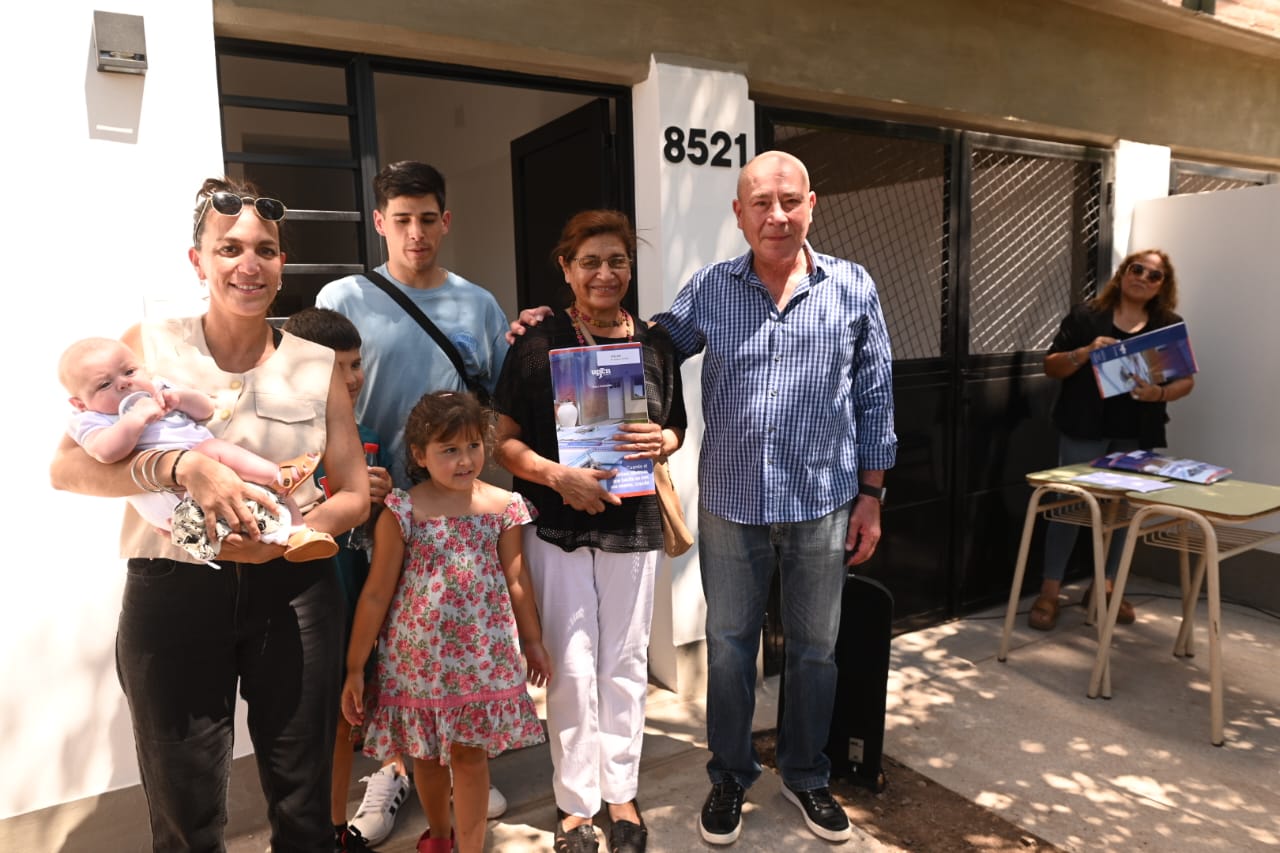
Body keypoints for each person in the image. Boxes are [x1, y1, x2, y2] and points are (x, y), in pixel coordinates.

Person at [49, 177, 369, 851]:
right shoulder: (146, 346)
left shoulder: (316, 366)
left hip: (294, 590)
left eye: (265, 250)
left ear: (282, 263)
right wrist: (176, 466)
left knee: (305, 804)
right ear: (198, 261)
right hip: (175, 589)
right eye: (229, 249)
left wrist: (292, 537)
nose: (248, 264)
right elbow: (68, 469)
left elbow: (352, 495)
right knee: (184, 811)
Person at [317, 161, 513, 838]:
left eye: (428, 218)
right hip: (368, 506)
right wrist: (341, 477)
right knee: (378, 642)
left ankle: (462, 763)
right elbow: (311, 398)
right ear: (380, 222)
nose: (415, 233)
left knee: (445, 640)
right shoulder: (345, 296)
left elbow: (500, 400)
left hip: (448, 516)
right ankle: (393, 770)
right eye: (401, 219)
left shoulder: (478, 305)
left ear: (445, 220)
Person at [493, 209, 687, 853]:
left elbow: (676, 427)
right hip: (557, 527)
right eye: (590, 262)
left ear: (630, 267)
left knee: (625, 663)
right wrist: (557, 478)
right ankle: (576, 805)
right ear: (566, 268)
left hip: (633, 524)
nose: (605, 273)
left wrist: (661, 440)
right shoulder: (536, 343)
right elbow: (502, 440)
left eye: (617, 261)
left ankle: (621, 792)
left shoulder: (656, 345)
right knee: (572, 668)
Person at [341, 391, 551, 853]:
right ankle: (439, 837)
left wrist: (533, 641)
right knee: (427, 756)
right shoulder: (402, 510)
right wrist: (356, 667)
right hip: (417, 663)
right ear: (420, 454)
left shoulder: (503, 507)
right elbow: (376, 593)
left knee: (470, 757)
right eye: (449, 449)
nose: (465, 460)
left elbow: (517, 579)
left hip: (482, 659)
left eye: (473, 446)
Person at [57, 335, 337, 564]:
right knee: (213, 450)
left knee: (266, 496)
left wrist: (179, 399)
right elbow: (105, 452)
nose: (123, 383)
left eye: (130, 372)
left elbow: (205, 409)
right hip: (168, 495)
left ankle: (297, 533)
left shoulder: (159, 391)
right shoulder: (93, 419)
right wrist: (135, 419)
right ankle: (278, 474)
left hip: (215, 490)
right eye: (104, 384)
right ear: (79, 403)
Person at [1029, 249, 1194, 631]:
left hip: (1136, 431)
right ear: (1122, 274)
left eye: (1154, 275)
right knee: (1067, 505)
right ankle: (1050, 592)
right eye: (1138, 269)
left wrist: (1159, 393)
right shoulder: (1086, 316)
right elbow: (1051, 366)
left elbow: (1186, 381)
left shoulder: (1167, 325)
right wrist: (1084, 353)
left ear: (1162, 286)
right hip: (1083, 426)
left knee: (1122, 510)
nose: (1144, 278)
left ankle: (1105, 587)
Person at [279, 307, 394, 853]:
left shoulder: (368, 439)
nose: (350, 378)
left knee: (347, 722)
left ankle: (335, 827)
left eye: (356, 364)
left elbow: (378, 539)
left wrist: (382, 500)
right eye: (335, 366)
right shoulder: (276, 443)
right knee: (302, 731)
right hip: (294, 610)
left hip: (354, 603)